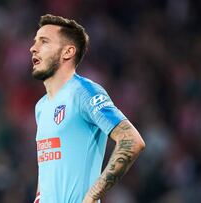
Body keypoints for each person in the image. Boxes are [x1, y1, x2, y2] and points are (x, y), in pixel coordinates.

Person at [30, 14, 145, 203]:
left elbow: (132, 141)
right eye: (35, 41)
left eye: (44, 42)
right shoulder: (41, 107)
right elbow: (48, 168)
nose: (33, 48)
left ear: (67, 52)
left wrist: (91, 197)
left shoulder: (84, 92)